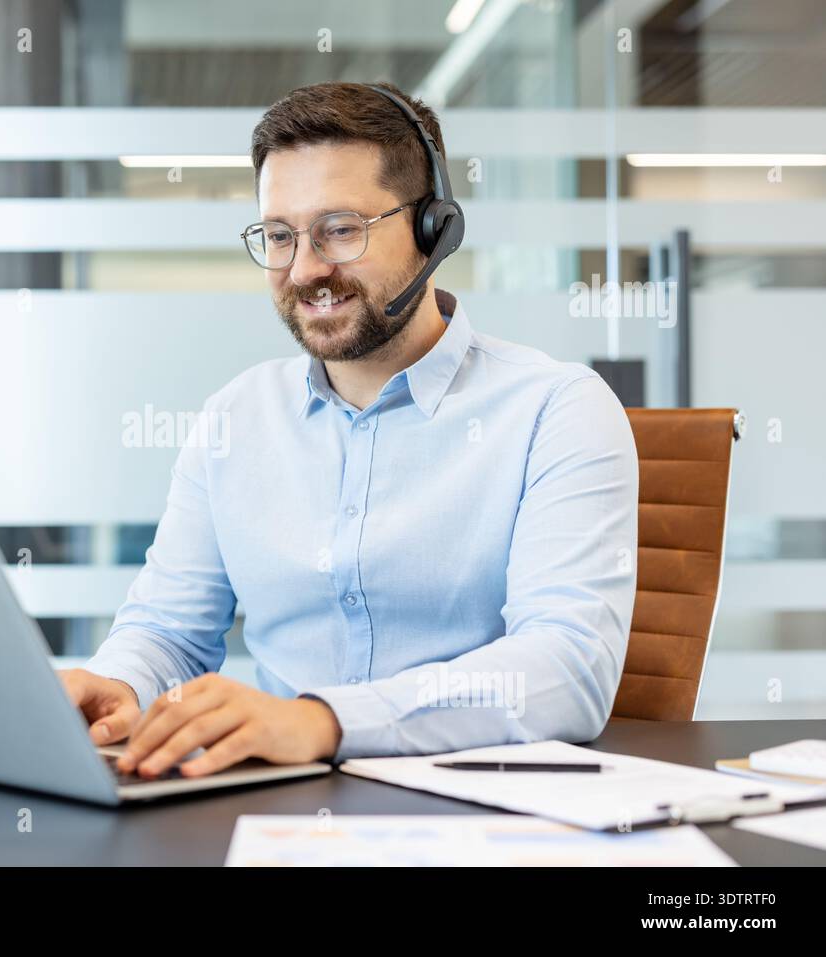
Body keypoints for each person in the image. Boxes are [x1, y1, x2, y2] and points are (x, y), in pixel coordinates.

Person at [58, 80, 638, 780]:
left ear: (435, 228)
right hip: (273, 815)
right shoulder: (235, 418)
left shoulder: (557, 410)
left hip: (480, 818)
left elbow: (567, 666)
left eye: (340, 229)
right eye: (279, 235)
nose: (305, 270)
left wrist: (322, 721)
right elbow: (168, 632)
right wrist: (118, 685)